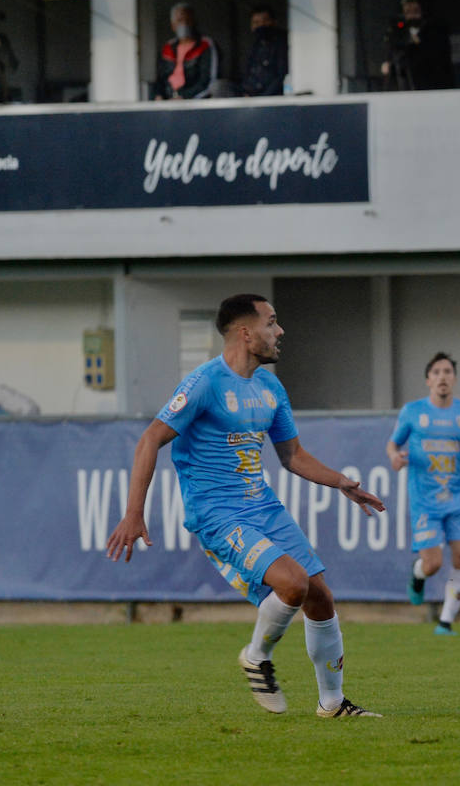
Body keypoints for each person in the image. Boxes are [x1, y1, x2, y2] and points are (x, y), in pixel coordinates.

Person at [106, 294, 384, 718]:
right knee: (292, 584)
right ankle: (256, 656)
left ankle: (332, 703)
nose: (280, 331)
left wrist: (341, 481)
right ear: (245, 332)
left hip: (263, 507)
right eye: (272, 322)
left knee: (321, 597)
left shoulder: (271, 387)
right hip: (218, 515)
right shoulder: (204, 383)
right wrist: (133, 513)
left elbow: (292, 456)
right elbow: (149, 440)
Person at [387, 352, 460, 635]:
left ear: (454, 379)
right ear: (428, 380)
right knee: (433, 563)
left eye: (447, 372)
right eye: (437, 372)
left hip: (458, 498)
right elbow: (393, 444)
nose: (442, 377)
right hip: (425, 501)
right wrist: (395, 457)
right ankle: (417, 577)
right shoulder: (413, 412)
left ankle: (445, 622)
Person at [380, 0, 454, 91]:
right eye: (408, 11)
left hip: (430, 81)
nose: (412, 15)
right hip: (404, 81)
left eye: (415, 11)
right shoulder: (398, 30)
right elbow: (391, 49)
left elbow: (439, 54)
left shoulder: (434, 29)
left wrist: (419, 42)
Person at [154, 3, 219, 100]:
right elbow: (160, 78)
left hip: (193, 101)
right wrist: (158, 95)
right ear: (173, 25)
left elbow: (209, 81)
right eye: (180, 21)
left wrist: (184, 97)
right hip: (169, 100)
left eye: (188, 20)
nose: (184, 24)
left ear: (194, 22)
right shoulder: (168, 47)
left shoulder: (205, 45)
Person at [242, 6, 288, 96]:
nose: (261, 25)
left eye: (265, 21)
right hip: (251, 95)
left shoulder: (282, 43)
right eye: (256, 22)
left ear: (274, 22)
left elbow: (282, 76)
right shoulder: (255, 45)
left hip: (271, 98)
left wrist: (262, 98)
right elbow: (247, 74)